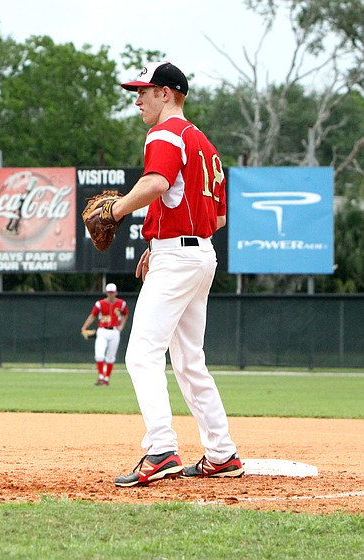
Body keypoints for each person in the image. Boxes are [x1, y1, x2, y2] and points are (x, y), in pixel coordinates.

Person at [94, 62, 242, 487]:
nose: (137, 100)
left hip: (178, 260)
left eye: (144, 91)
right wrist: (157, 243)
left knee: (142, 353)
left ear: (166, 93)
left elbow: (157, 183)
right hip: (201, 255)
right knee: (190, 361)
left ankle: (161, 450)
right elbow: (217, 218)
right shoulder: (204, 145)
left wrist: (116, 210)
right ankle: (221, 453)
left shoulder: (165, 132)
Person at [81, 283, 128, 386]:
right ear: (106, 293)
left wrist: (121, 326)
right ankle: (101, 376)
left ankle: (106, 378)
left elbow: (125, 314)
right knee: (99, 355)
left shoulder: (121, 303)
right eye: (109, 292)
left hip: (115, 331)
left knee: (111, 356)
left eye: (112, 292)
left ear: (116, 293)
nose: (111, 294)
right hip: (102, 330)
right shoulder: (100, 304)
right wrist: (84, 327)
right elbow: (93, 315)